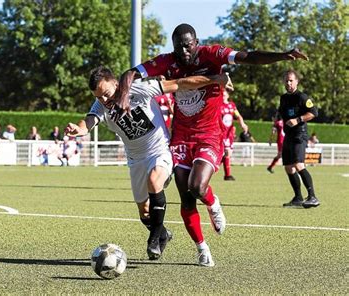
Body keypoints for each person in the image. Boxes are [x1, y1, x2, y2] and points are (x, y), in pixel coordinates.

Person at [116, 23, 308, 266]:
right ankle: (201, 247)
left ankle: (213, 203)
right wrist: (124, 93)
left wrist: (283, 55)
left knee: (198, 186)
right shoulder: (168, 61)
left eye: (188, 45)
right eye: (178, 47)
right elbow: (130, 73)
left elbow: (248, 56)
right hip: (181, 136)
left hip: (208, 134)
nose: (184, 51)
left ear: (196, 42)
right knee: (185, 199)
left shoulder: (213, 54)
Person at [65, 66, 232, 261]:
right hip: (135, 160)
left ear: (116, 84)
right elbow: (89, 121)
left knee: (154, 181)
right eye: (99, 97)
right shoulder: (100, 105)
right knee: (144, 212)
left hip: (160, 150)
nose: (104, 100)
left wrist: (213, 78)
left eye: (106, 94)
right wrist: (79, 128)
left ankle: (154, 240)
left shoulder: (139, 89)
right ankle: (162, 234)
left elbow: (178, 84)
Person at [278, 70, 319, 208]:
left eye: (291, 80)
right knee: (289, 168)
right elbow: (281, 114)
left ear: (296, 82)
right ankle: (298, 197)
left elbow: (314, 112)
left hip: (299, 135)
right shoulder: (283, 98)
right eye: (286, 80)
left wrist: (298, 119)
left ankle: (313, 197)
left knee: (299, 164)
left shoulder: (302, 97)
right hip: (288, 135)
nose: (288, 83)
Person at [220, 87, 248, 181]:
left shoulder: (232, 105)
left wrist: (242, 124)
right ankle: (227, 175)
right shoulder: (218, 105)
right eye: (222, 93)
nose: (223, 95)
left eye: (225, 93)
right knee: (225, 153)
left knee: (228, 153)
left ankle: (224, 173)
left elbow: (238, 116)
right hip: (220, 133)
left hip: (229, 134)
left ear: (228, 95)